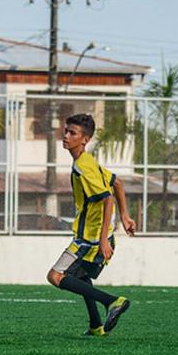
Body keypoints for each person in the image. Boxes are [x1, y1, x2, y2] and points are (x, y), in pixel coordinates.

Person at [46, 113, 134, 336]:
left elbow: (107, 198)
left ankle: (112, 301)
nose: (65, 136)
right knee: (82, 277)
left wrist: (104, 238)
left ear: (84, 139)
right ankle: (96, 325)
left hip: (90, 238)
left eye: (72, 133)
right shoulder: (87, 161)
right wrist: (125, 216)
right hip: (95, 235)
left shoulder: (83, 168)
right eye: (66, 131)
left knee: (55, 276)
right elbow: (118, 183)